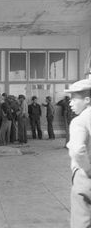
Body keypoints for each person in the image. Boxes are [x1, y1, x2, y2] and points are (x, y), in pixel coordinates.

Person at [64, 79, 91, 228]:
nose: (70, 103)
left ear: (87, 100)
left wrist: (88, 170)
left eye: (74, 99)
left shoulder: (79, 121)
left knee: (82, 221)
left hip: (85, 177)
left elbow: (78, 150)